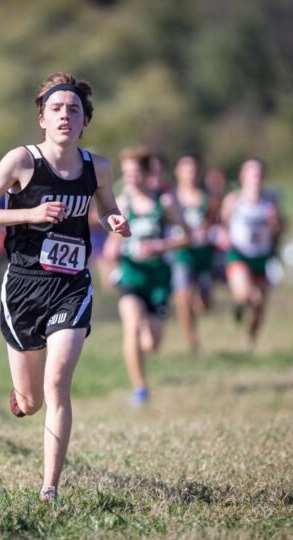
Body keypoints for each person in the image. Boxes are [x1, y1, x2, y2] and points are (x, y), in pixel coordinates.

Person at [0, 72, 131, 502]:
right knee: (33, 400)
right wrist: (29, 214)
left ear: (84, 122)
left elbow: (107, 204)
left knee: (59, 383)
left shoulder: (99, 167)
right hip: (22, 286)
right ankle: (23, 396)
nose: (65, 115)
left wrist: (113, 218)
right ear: (42, 118)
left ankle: (49, 487)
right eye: (56, 109)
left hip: (71, 285)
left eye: (73, 110)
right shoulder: (21, 161)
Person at [104, 147, 188, 405]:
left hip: (158, 280)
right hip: (131, 276)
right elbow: (111, 246)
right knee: (131, 327)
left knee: (152, 343)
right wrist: (112, 261)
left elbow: (187, 236)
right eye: (127, 173)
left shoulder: (164, 202)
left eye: (136, 173)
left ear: (147, 173)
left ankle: (145, 347)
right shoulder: (123, 202)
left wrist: (160, 246)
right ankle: (140, 388)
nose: (131, 178)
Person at [220, 158, 284, 350]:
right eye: (252, 173)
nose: (256, 178)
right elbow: (223, 224)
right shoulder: (234, 200)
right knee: (248, 293)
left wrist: (275, 223)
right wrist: (224, 237)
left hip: (262, 256)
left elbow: (279, 230)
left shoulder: (270, 201)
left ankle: (250, 339)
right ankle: (239, 304)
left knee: (260, 305)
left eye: (259, 173)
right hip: (238, 253)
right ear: (243, 177)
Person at [171, 154, 215, 354]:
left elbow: (216, 219)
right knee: (182, 298)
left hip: (204, 253)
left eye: (194, 169)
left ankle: (197, 309)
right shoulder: (172, 197)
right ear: (177, 173)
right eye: (186, 169)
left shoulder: (207, 195)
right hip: (182, 252)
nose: (191, 173)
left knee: (204, 304)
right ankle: (192, 340)